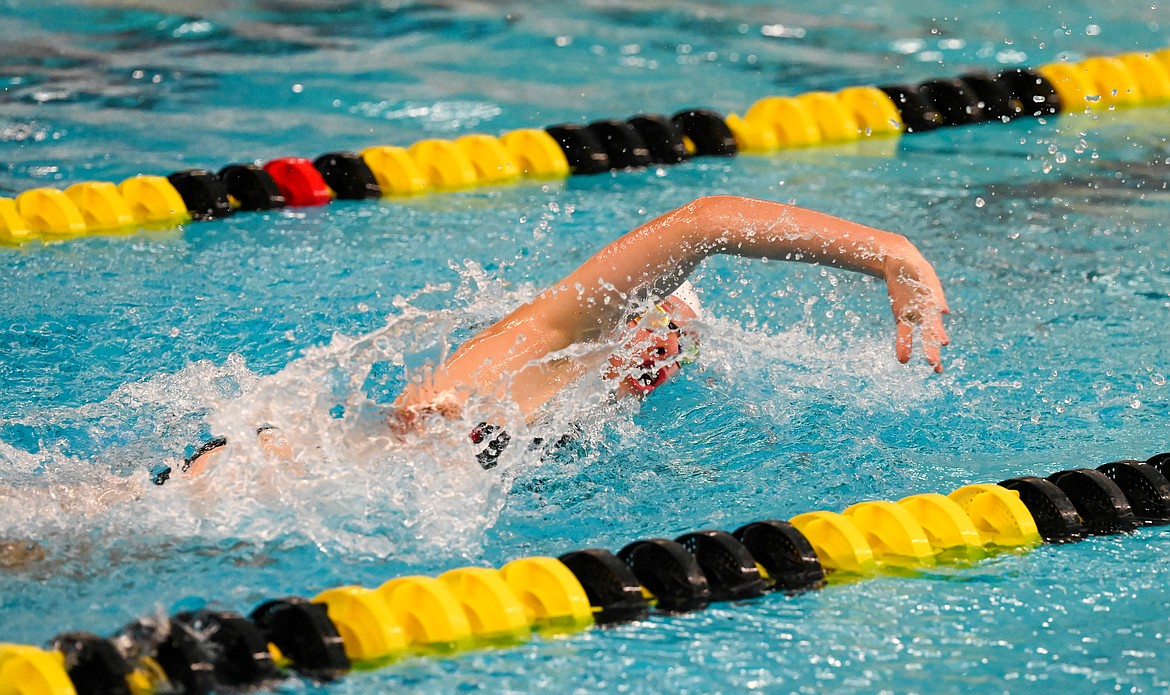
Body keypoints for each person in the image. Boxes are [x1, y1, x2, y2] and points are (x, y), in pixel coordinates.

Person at [177, 194, 949, 478]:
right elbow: (704, 224)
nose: (655, 358)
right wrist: (889, 250)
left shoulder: (568, 418)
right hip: (245, 481)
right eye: (658, 330)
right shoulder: (539, 345)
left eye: (671, 356)